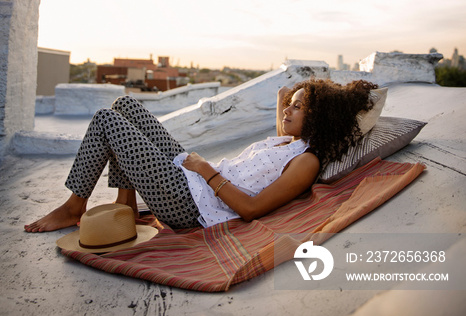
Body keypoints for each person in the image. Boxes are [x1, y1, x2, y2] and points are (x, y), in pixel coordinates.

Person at [24, 78, 376, 233]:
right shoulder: (289, 143)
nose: (287, 111)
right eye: (290, 105)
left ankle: (74, 207)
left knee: (106, 121)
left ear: (316, 118)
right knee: (124, 105)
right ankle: (126, 204)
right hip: (192, 180)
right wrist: (286, 97)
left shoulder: (307, 161)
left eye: (298, 108)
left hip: (191, 204)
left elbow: (253, 210)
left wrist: (206, 170)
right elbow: (284, 129)